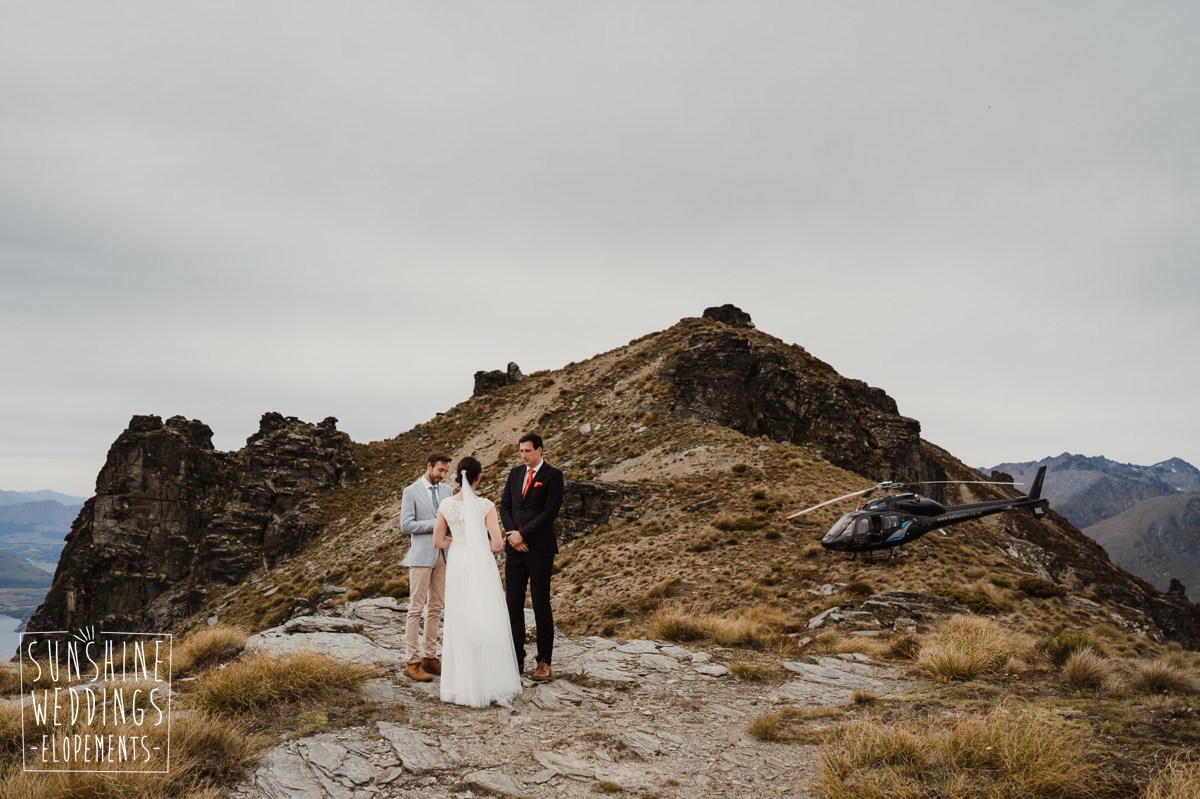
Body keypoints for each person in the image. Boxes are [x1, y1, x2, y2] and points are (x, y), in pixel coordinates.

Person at [433, 456, 522, 708]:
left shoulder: (446, 505)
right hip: (480, 564)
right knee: (486, 615)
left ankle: (461, 686)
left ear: (458, 477)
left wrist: (460, 544)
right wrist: (476, 543)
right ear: (478, 477)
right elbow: (496, 544)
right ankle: (489, 680)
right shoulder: (485, 506)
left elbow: (438, 541)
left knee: (460, 618)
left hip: (459, 564)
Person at [499, 432, 564, 682]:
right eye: (521, 451)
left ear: (539, 450)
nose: (523, 455)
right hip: (515, 550)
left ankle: (544, 662)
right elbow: (505, 506)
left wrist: (523, 535)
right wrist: (513, 535)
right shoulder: (515, 474)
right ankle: (516, 658)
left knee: (540, 605)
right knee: (513, 605)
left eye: (527, 451)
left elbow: (550, 512)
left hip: (539, 551)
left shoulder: (553, 476)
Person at [399, 453, 453, 682]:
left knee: (436, 608)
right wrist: (437, 523)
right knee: (416, 608)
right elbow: (406, 525)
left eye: (446, 472)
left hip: (444, 555)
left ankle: (430, 657)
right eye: (440, 470)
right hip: (421, 557)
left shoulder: (448, 491)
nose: (442, 475)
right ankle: (412, 661)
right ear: (429, 466)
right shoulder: (410, 491)